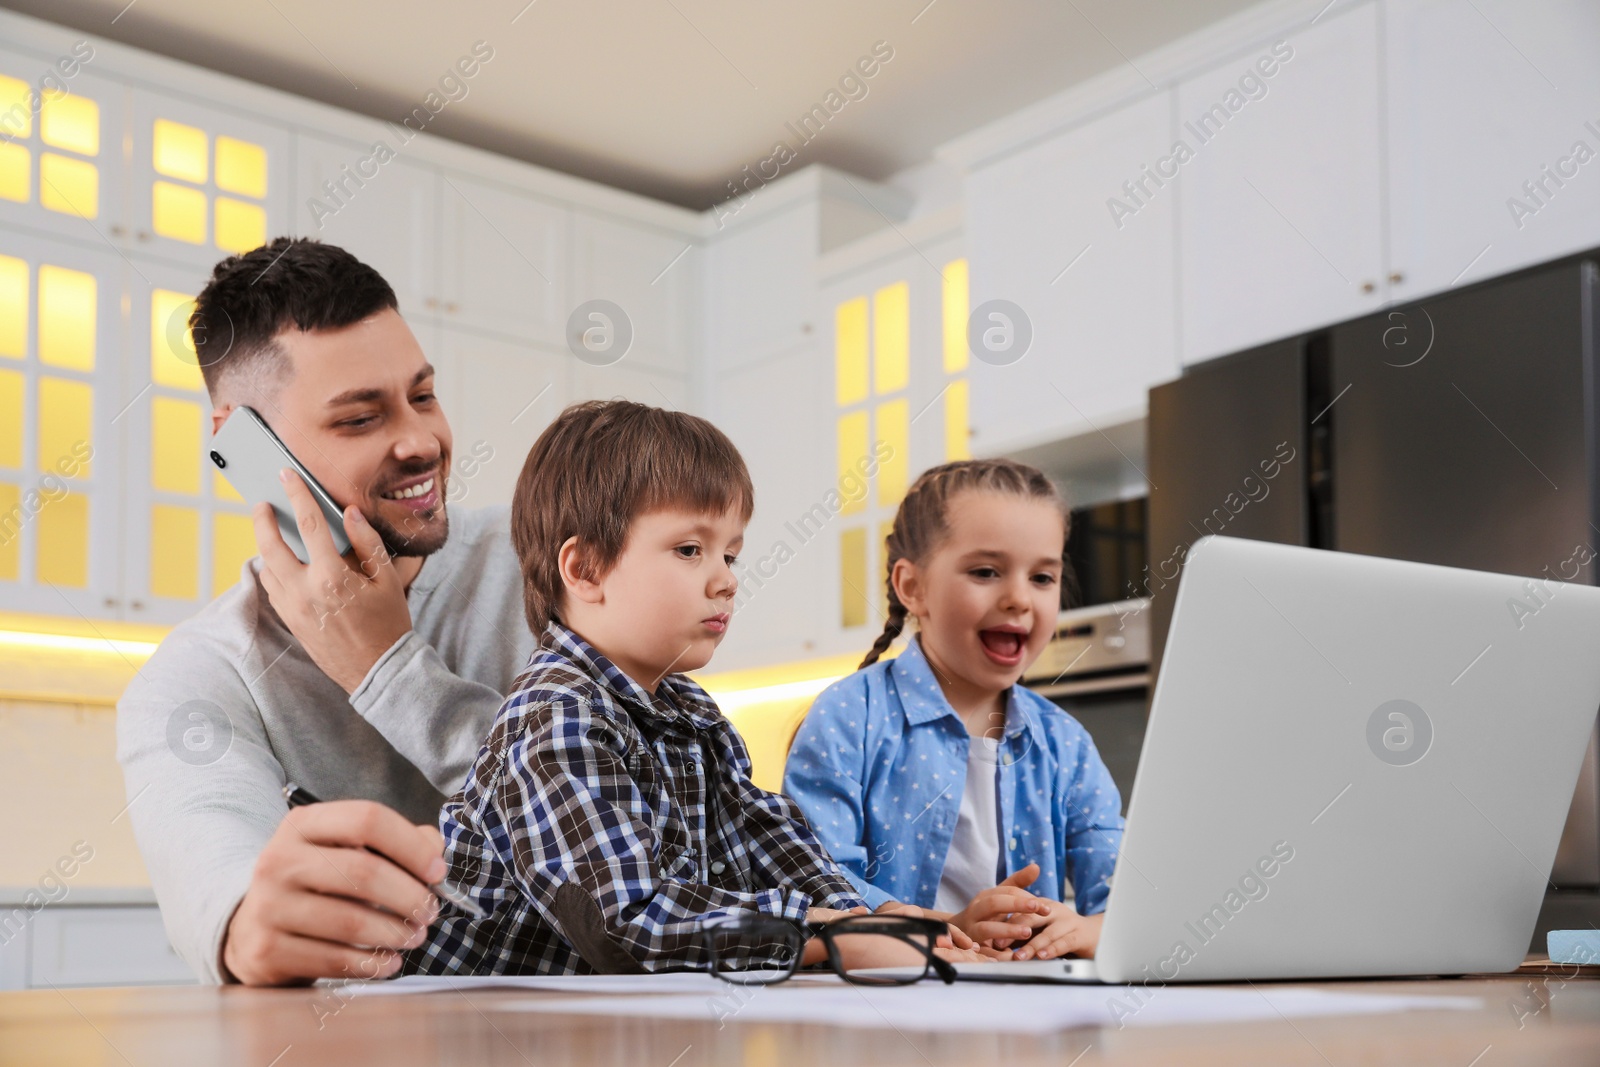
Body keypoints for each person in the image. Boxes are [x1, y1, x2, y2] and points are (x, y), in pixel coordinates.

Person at [405, 401, 977, 976]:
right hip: (462, 1024)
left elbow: (764, 835)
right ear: (584, 570)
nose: (726, 579)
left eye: (731, 553)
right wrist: (825, 934)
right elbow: (626, 924)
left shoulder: (691, 710)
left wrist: (868, 917)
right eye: (689, 550)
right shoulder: (554, 716)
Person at [116, 238, 537, 985]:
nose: (421, 441)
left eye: (424, 396)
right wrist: (251, 923)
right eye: (359, 418)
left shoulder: (549, 561)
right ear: (240, 446)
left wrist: (388, 668)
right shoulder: (196, 680)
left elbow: (644, 826)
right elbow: (222, 891)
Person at [784, 459, 1126, 960]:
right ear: (912, 587)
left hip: (1028, 1008)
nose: (1018, 599)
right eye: (986, 572)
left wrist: (1092, 931)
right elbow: (814, 882)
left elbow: (1123, 894)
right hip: (886, 1001)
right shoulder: (848, 716)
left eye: (1042, 577)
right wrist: (947, 928)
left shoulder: (1065, 743)